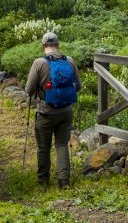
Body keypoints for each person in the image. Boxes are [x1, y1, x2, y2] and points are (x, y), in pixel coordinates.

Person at [24, 31, 82, 189]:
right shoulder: (69, 61)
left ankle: (43, 181)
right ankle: (64, 181)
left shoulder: (39, 63)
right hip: (66, 112)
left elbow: (28, 90)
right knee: (62, 144)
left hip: (46, 112)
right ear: (58, 45)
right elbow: (78, 87)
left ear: (43, 45)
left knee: (44, 147)